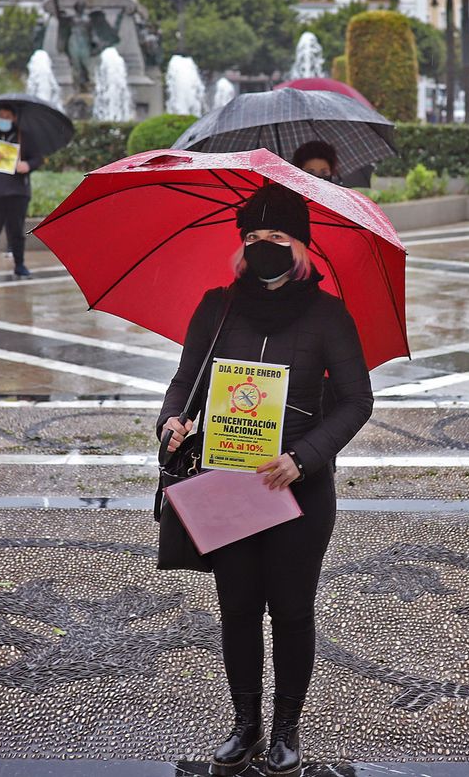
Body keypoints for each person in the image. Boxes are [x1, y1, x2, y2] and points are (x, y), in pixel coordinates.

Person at [158, 184, 374, 777]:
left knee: (293, 611)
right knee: (237, 609)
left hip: (297, 486)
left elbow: (357, 401)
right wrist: (171, 422)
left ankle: (286, 728)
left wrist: (303, 457)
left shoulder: (328, 315)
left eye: (277, 238)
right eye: (252, 238)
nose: (263, 248)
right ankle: (245, 724)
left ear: (301, 247)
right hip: (228, 482)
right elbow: (184, 385)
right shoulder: (216, 307)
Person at [0, 107, 45, 280]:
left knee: (17, 232)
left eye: (7, 116)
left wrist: (27, 166)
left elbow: (38, 158)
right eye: (0, 116)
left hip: (18, 192)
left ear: (14, 118)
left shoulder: (24, 136)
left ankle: (20, 265)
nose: (3, 119)